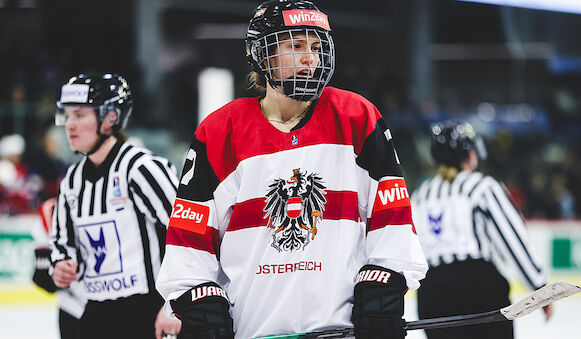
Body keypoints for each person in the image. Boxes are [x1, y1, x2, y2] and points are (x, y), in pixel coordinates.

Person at [156, 1, 427, 338]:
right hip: (254, 330)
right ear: (261, 54)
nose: (309, 59)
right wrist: (198, 299)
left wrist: (385, 278)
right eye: (295, 46)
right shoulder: (219, 131)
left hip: (339, 331)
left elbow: (392, 216)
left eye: (315, 47)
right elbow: (188, 238)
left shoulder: (357, 117)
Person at [49, 73, 182, 339]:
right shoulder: (72, 180)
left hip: (148, 310)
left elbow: (186, 235)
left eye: (80, 115)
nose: (70, 126)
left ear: (110, 118)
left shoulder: (141, 168)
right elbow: (63, 243)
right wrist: (62, 264)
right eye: (68, 116)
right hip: (96, 312)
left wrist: (175, 304)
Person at [410, 120, 554, 339]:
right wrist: (539, 288)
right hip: (478, 289)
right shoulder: (482, 187)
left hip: (431, 294)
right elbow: (512, 240)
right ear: (469, 153)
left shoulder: (420, 195)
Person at [32, 197, 86, 339]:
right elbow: (42, 277)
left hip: (114, 305)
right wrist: (57, 273)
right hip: (72, 307)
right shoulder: (50, 210)